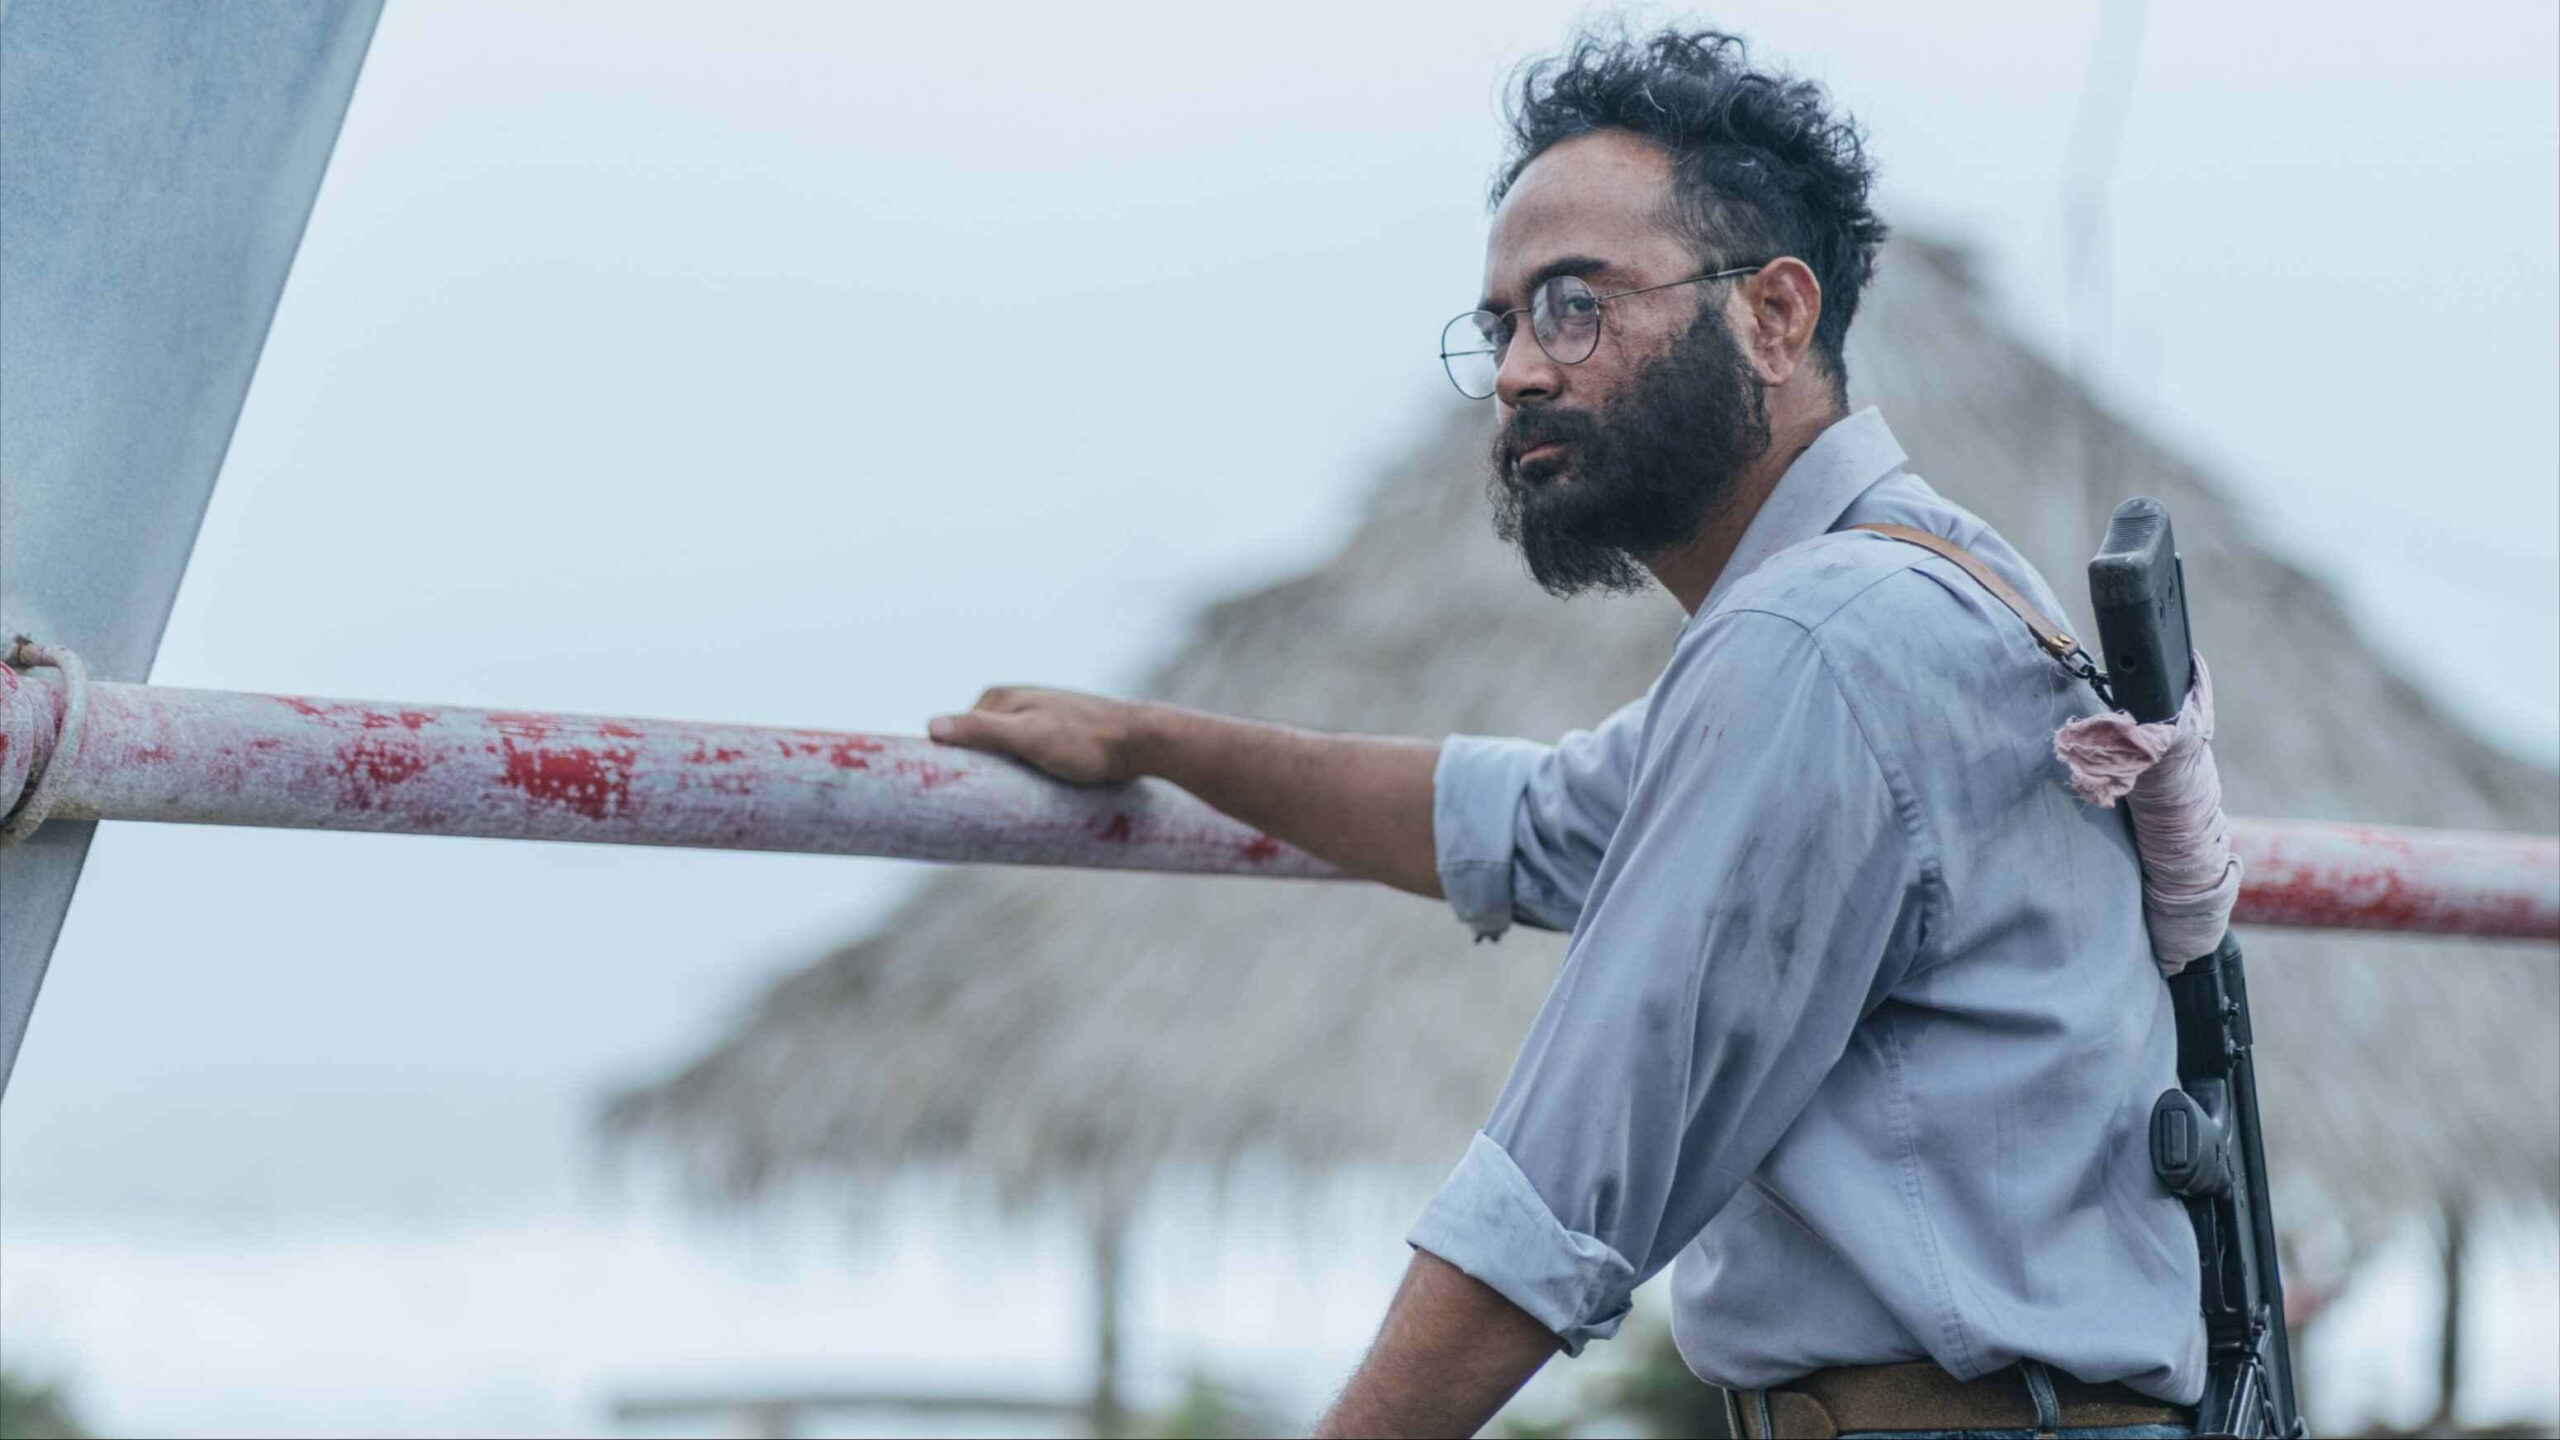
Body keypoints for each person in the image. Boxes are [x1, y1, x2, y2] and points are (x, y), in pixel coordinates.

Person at [929, 26, 2204, 1440]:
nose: (1522, 370)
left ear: (1775, 316)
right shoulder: (1924, 586)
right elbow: (1519, 824)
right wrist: (1157, 739)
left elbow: (1566, 1186)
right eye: (1503, 328)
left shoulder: (1819, 640)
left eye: (1576, 304)